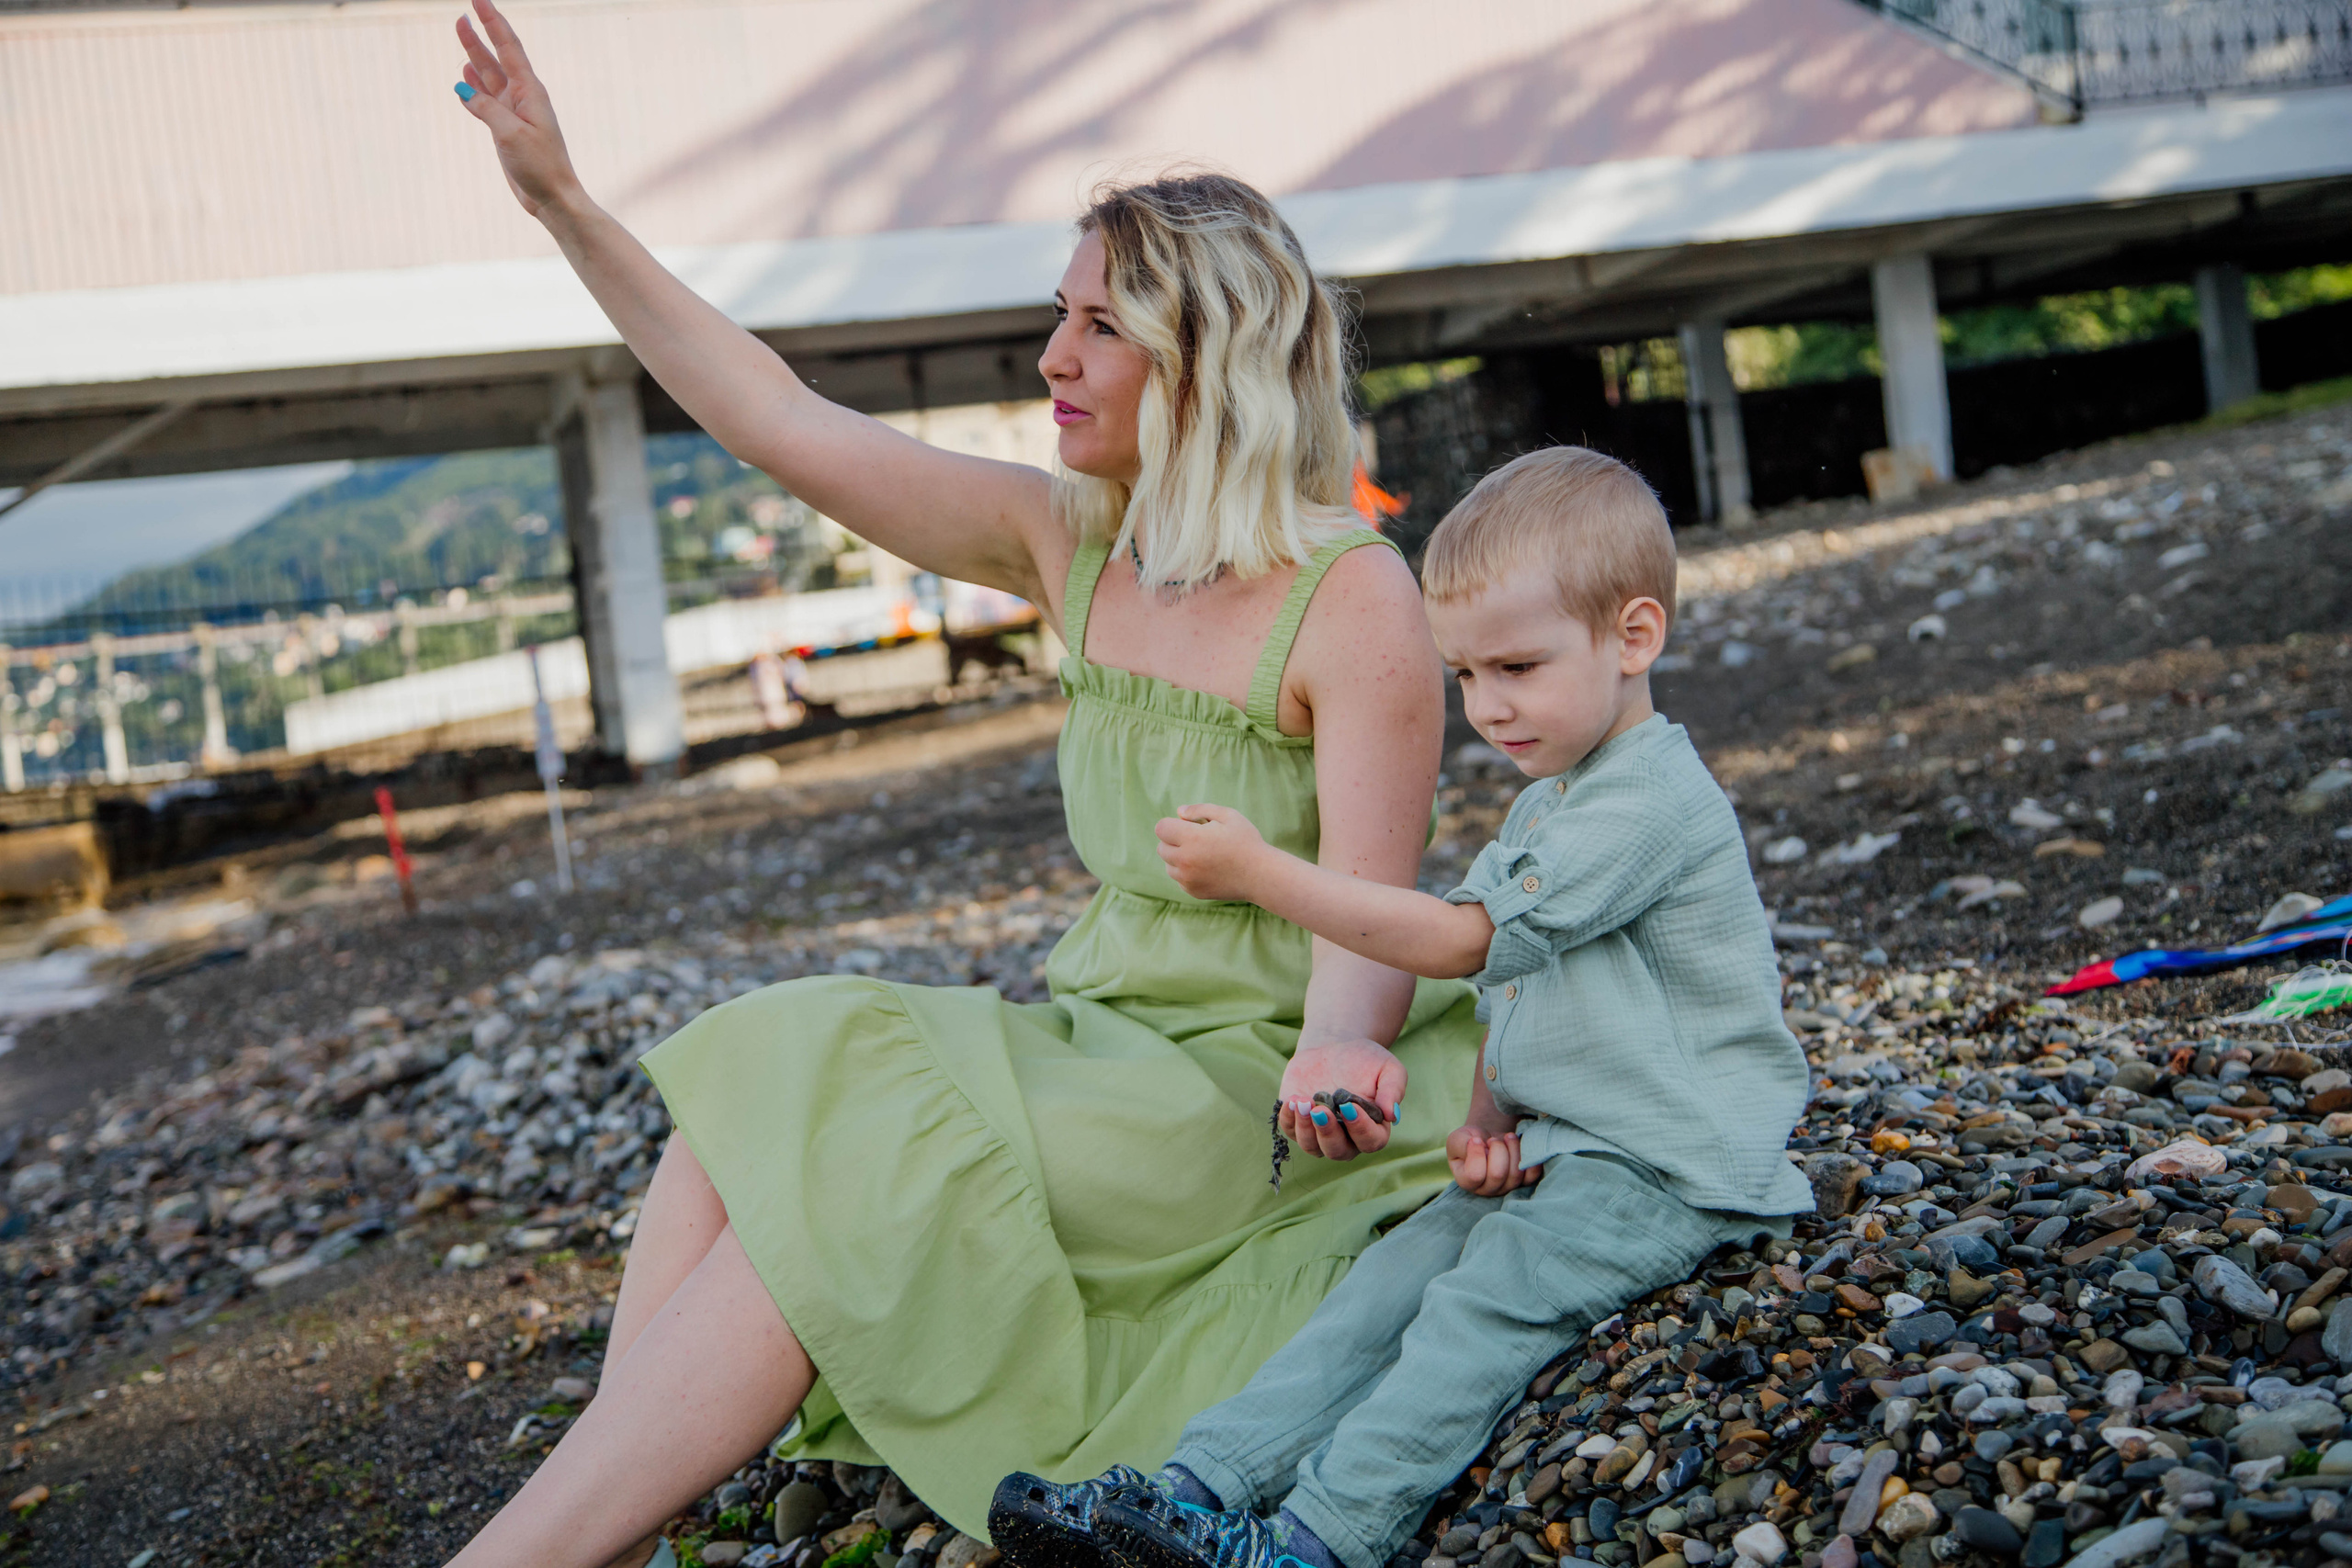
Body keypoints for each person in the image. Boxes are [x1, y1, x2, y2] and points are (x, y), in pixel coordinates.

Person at [442, 5, 1481, 1565]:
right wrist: (564, 204)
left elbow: (1369, 923)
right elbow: (778, 418)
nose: (1053, 357)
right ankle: (609, 1517)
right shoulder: (1073, 541)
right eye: (1061, 314)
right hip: (1098, 1041)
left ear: (1210, 356)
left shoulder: (1352, 594)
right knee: (754, 1083)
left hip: (1251, 1088)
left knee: (850, 1186)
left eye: (1101, 326)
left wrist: (1334, 1055)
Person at [996, 446, 1814, 1568]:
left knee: (1483, 1309)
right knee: (1386, 1284)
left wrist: (1265, 876)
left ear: (1633, 638)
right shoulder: (1552, 805)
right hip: (1575, 1147)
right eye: (1465, 674)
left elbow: (1459, 941)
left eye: (1516, 667)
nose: (1488, 707)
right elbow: (1513, 983)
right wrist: (1488, 1124)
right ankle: (1194, 1485)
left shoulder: (1648, 804)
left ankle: (1316, 1540)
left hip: (1673, 1165)